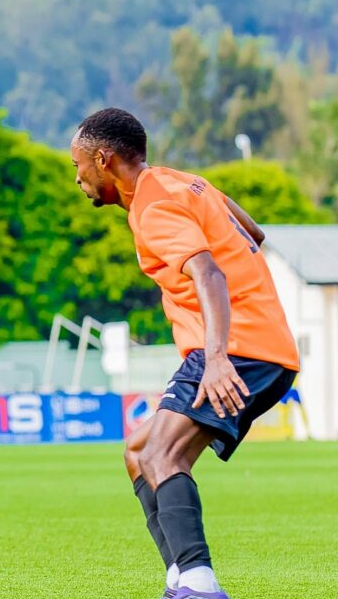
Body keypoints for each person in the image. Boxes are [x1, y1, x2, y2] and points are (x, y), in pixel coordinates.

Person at [71, 108, 300, 599]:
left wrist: (216, 358)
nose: (78, 179)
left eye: (78, 166)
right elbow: (254, 234)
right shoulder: (184, 182)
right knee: (139, 452)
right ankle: (181, 578)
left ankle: (199, 583)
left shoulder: (152, 207)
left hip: (236, 349)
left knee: (161, 454)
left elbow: (208, 273)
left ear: (103, 159)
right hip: (263, 346)